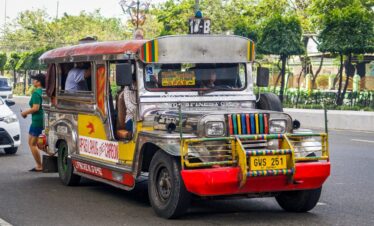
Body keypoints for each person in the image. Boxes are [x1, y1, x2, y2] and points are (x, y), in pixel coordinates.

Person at [21, 74, 51, 172]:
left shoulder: (36, 93)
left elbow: (35, 108)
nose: (33, 81)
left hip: (37, 121)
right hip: (43, 119)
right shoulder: (45, 91)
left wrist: (24, 113)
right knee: (38, 144)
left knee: (32, 143)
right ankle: (54, 157)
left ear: (39, 82)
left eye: (34, 80)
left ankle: (39, 166)